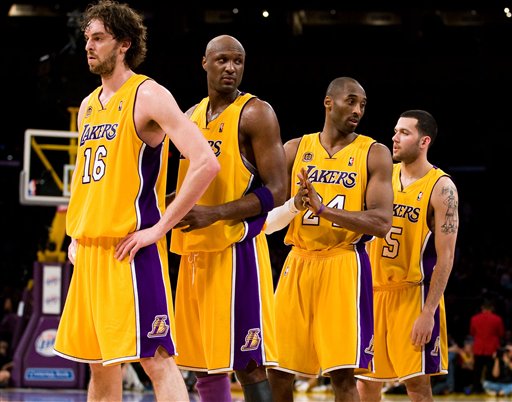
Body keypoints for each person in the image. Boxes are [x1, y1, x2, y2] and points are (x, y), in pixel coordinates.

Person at [52, 1, 220, 401]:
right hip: (90, 252)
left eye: (98, 38)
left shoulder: (148, 95)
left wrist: (159, 228)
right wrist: (76, 235)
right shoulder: (88, 106)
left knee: (156, 359)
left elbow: (206, 163)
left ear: (124, 43)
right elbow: (88, 181)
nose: (88, 46)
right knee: (99, 364)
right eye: (87, 38)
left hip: (130, 250)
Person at [169, 35, 287, 402]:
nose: (231, 68)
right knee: (204, 363)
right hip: (193, 252)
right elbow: (185, 188)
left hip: (237, 251)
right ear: (204, 63)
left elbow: (278, 191)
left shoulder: (255, 113)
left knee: (248, 362)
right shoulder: (189, 116)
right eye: (222, 60)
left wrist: (215, 213)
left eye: (238, 61)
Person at [265, 76, 394, 402]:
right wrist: (295, 205)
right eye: (351, 101)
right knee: (277, 370)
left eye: (362, 104)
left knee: (342, 374)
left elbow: (382, 223)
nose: (358, 110)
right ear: (328, 102)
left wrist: (324, 210)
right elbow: (266, 221)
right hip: (298, 261)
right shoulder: (294, 149)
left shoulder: (374, 153)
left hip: (344, 263)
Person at [356, 110, 459, 402]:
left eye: (404, 132)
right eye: (395, 131)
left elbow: (446, 257)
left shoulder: (442, 188)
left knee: (416, 386)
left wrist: (428, 312)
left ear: (424, 141)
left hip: (412, 295)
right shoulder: (381, 175)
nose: (395, 138)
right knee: (365, 383)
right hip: (373, 292)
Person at [470, 300, 505, 394]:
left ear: (482, 308)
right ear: (492, 308)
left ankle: (476, 388)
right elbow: (501, 333)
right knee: (490, 370)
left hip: (478, 347)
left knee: (477, 370)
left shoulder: (474, 319)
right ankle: (490, 387)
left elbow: (472, 332)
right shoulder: (497, 319)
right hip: (492, 348)